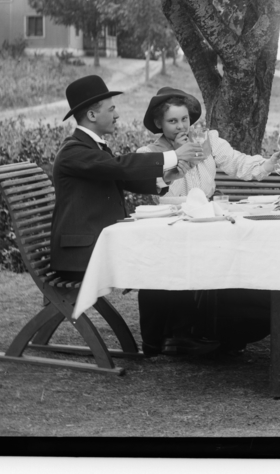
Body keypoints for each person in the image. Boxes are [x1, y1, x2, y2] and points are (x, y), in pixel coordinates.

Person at [48, 75, 202, 357]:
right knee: (162, 260)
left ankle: (172, 337)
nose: (117, 114)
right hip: (80, 256)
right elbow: (119, 167)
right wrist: (173, 156)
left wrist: (166, 177)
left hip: (92, 247)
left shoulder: (91, 149)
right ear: (92, 115)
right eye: (111, 109)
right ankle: (165, 339)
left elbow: (118, 175)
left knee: (170, 255)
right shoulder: (74, 151)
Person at [135, 86, 280, 357]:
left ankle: (225, 330)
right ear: (159, 123)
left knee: (236, 255)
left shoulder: (209, 142)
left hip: (208, 222)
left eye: (184, 119)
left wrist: (266, 164)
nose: (181, 126)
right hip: (171, 224)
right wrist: (178, 157)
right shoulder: (150, 153)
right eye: (172, 121)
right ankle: (174, 335)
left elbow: (238, 163)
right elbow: (155, 188)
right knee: (173, 261)